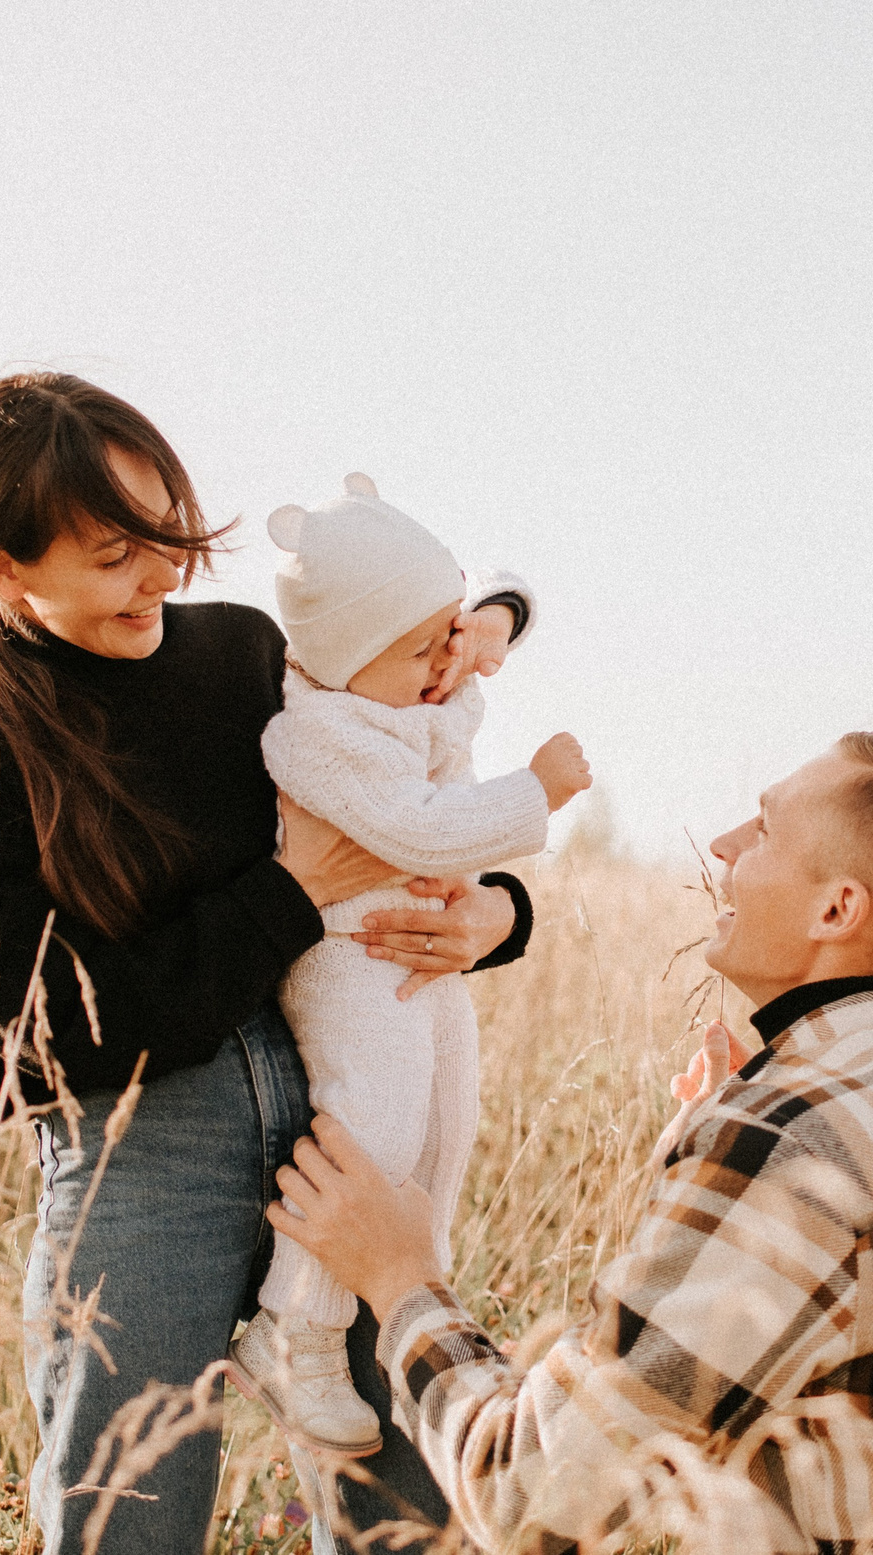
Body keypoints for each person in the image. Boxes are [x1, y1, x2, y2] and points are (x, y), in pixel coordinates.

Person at [0, 373, 541, 1553]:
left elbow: (402, 783)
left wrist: (496, 915)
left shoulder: (244, 654)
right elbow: (40, 1020)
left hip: (342, 1110)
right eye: (111, 555)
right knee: (127, 1522)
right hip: (142, 1156)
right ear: (1, 566)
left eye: (165, 536)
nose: (160, 574)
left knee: (404, 1499)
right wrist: (290, 894)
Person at [268, 733, 873, 1553]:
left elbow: (537, 1496)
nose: (725, 846)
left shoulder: (794, 1134)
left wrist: (400, 1279)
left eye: (765, 829)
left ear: (838, 908)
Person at [229, 474, 594, 1456]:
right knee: (375, 1118)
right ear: (352, 654)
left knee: (448, 1110)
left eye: (448, 636)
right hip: (350, 955)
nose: (446, 664)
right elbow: (419, 828)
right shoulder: (317, 731)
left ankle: (411, 1299)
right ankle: (295, 1328)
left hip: (418, 950)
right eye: (424, 647)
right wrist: (536, 794)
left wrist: (486, 625)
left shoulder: (392, 681)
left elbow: (486, 613)